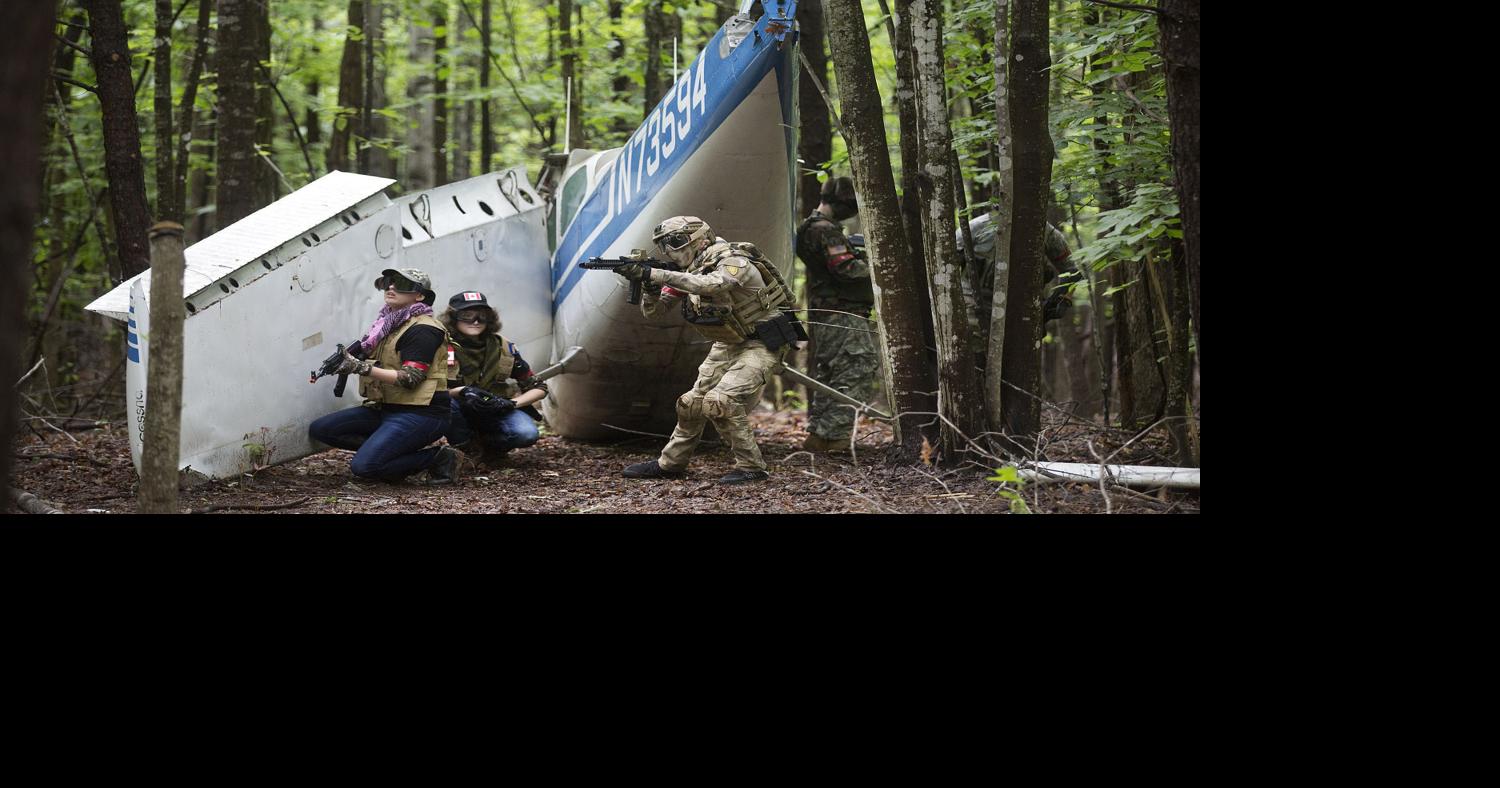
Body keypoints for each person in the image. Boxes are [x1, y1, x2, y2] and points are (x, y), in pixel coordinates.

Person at [613, 216, 803, 485]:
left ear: (701, 239)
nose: (671, 250)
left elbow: (714, 284)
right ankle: (671, 464)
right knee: (691, 403)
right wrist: (650, 288)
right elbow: (654, 312)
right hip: (728, 342)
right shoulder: (692, 271)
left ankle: (752, 467)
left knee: (721, 401)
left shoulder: (734, 260)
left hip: (763, 341)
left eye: (675, 242)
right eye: (665, 245)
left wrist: (655, 273)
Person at [307, 268, 460, 485]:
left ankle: (437, 458)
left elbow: (411, 378)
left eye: (402, 284)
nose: (391, 287)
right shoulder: (387, 324)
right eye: (389, 282)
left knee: (364, 467)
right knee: (322, 429)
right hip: (387, 407)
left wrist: (359, 367)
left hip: (423, 414)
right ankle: (387, 451)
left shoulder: (424, 330)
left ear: (420, 295)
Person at [795, 176, 881, 454]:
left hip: (829, 313)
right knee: (857, 369)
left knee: (830, 374)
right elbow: (845, 269)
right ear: (838, 203)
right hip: (842, 314)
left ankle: (819, 436)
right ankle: (837, 438)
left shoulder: (811, 227)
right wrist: (881, 266)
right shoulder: (826, 230)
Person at [440, 290, 546, 465]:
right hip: (457, 408)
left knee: (527, 433)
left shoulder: (503, 347)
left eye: (481, 316)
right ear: (453, 318)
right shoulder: (441, 346)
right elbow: (429, 391)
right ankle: (466, 449)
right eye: (467, 315)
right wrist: (463, 391)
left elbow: (539, 387)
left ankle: (491, 447)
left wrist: (511, 403)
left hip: (494, 409)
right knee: (443, 403)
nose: (475, 321)